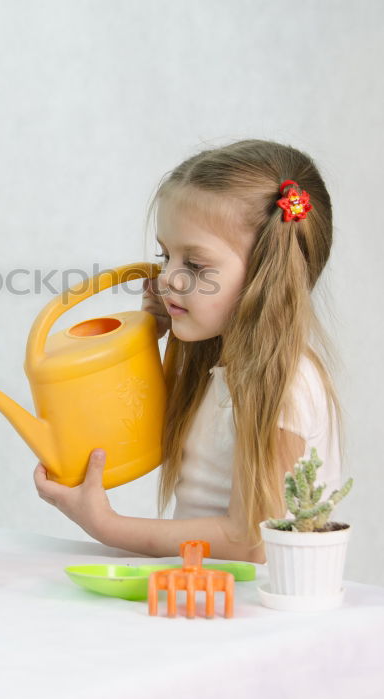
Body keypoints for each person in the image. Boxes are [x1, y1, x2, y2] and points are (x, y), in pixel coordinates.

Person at [34, 139, 346, 563]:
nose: (169, 279)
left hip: (260, 610)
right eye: (165, 255)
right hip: (215, 598)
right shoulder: (220, 369)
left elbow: (251, 540)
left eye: (196, 266)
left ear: (267, 277)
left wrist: (107, 526)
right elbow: (141, 434)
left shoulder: (285, 385)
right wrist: (148, 344)